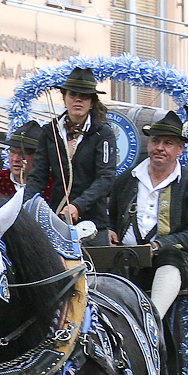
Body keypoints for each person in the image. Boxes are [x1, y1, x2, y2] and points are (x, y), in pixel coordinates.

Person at [108, 109, 188, 320]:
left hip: (170, 263)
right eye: (155, 141)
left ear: (180, 149)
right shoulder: (127, 179)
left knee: (170, 255)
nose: (160, 148)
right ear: (148, 145)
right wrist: (109, 230)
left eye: (168, 143)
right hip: (126, 259)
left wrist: (160, 245)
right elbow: (112, 215)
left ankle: (152, 320)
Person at [23, 67, 116, 245]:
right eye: (73, 94)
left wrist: (77, 206)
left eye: (85, 96)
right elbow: (38, 175)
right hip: (58, 220)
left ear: (92, 102)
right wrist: (27, 206)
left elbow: (105, 178)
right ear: (64, 97)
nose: (78, 100)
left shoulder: (103, 134)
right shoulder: (50, 131)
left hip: (93, 223)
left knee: (96, 270)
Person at [0, 121, 42, 197]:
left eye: (23, 153)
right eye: (12, 152)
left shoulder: (55, 183)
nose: (15, 159)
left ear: (38, 156)